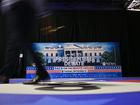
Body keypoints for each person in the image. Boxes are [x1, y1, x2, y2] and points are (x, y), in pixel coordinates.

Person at [0, 0, 55, 84]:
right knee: (22, 42)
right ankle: (41, 72)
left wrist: (44, 13)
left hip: (21, 7)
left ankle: (5, 75)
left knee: (17, 42)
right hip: (18, 8)